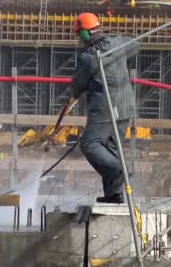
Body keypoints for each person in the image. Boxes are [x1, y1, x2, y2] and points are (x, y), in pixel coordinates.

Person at [70, 13, 140, 204]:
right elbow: (135, 43)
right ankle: (113, 195)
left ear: (84, 34)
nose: (79, 39)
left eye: (79, 34)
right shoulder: (119, 44)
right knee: (110, 147)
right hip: (125, 106)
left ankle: (120, 170)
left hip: (104, 109)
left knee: (90, 144)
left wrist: (76, 93)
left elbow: (77, 85)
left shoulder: (88, 57)